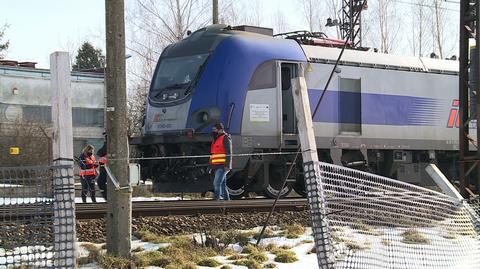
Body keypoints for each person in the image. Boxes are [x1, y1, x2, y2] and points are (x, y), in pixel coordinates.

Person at [210, 123, 232, 200]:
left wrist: (227, 165)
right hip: (216, 165)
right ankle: (227, 200)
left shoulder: (225, 138)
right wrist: (211, 165)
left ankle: (216, 200)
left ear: (220, 130)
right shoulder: (216, 139)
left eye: (215, 129)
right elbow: (213, 153)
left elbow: (229, 152)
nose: (214, 131)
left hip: (223, 165)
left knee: (216, 183)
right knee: (222, 185)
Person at [97, 134, 108, 200]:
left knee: (101, 182)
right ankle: (106, 197)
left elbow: (100, 152)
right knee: (101, 182)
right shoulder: (107, 144)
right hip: (104, 167)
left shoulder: (108, 144)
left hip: (106, 167)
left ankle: (106, 197)